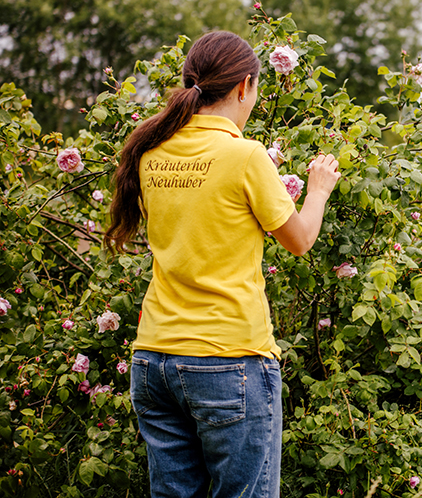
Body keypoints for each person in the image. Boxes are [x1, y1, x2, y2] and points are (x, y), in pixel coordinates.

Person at [105, 30, 340, 498]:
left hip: (154, 359)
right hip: (227, 360)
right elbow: (300, 240)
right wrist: (318, 190)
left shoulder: (152, 151)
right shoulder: (245, 156)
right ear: (243, 87)